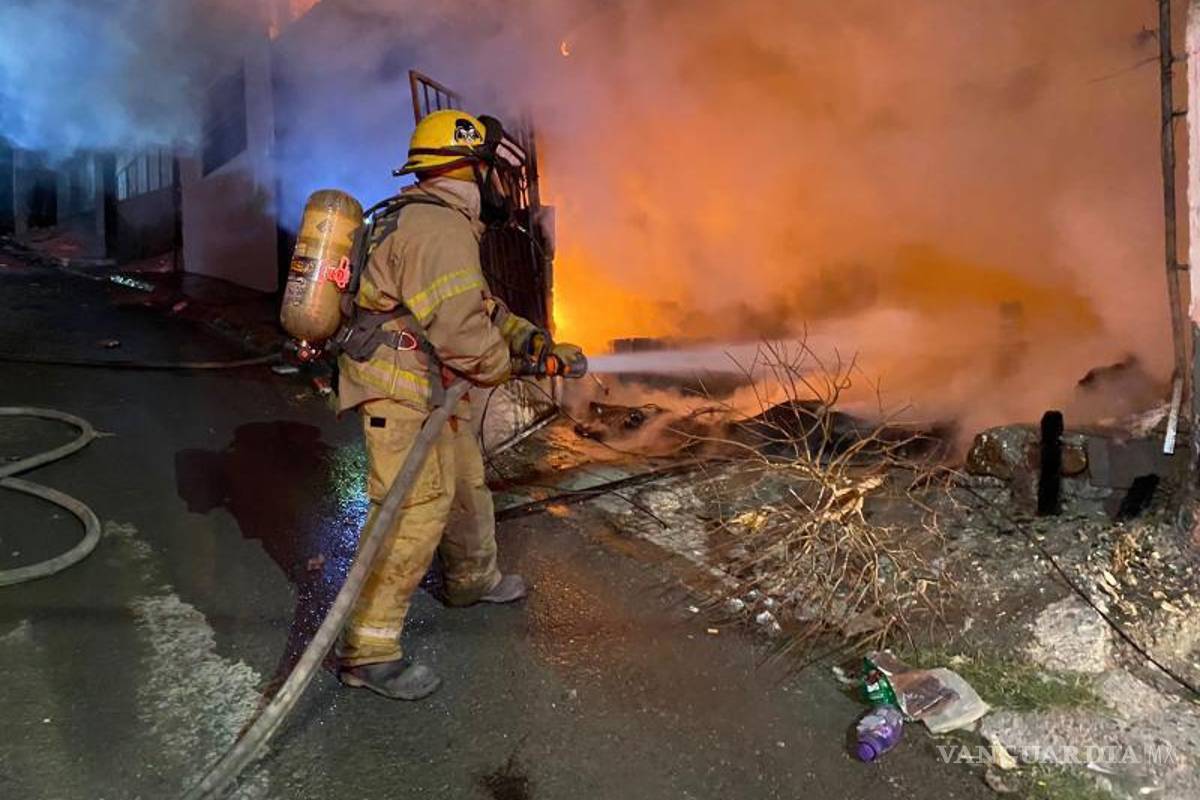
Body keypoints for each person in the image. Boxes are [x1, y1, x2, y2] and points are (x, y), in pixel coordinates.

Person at [334, 109, 585, 700]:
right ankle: (367, 653)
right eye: (488, 169)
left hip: (431, 390)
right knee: (412, 512)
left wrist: (533, 341)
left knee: (466, 481)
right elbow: (462, 333)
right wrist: (515, 365)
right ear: (466, 166)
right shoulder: (437, 229)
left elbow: (481, 309)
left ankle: (473, 580)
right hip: (400, 392)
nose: (495, 184)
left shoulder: (435, 220)